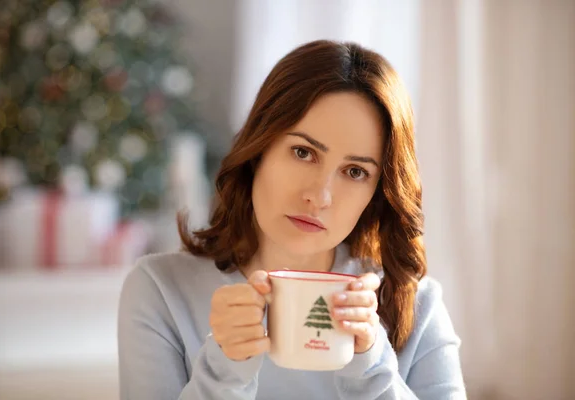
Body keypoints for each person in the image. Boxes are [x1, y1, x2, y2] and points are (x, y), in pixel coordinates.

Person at [117, 40, 466, 399]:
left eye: (355, 171)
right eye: (303, 152)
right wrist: (224, 371)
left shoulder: (416, 305)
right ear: (258, 150)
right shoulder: (160, 291)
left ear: (377, 193)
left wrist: (372, 365)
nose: (320, 196)